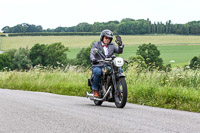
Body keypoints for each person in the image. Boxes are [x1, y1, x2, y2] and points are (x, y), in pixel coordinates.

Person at [90, 29, 124, 97]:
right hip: (98, 64)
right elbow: (92, 52)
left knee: (120, 71)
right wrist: (93, 59)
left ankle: (118, 89)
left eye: (109, 38)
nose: (107, 40)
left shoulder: (112, 45)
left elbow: (119, 51)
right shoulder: (96, 44)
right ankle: (95, 90)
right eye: (106, 38)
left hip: (109, 64)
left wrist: (120, 45)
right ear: (102, 37)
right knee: (98, 72)